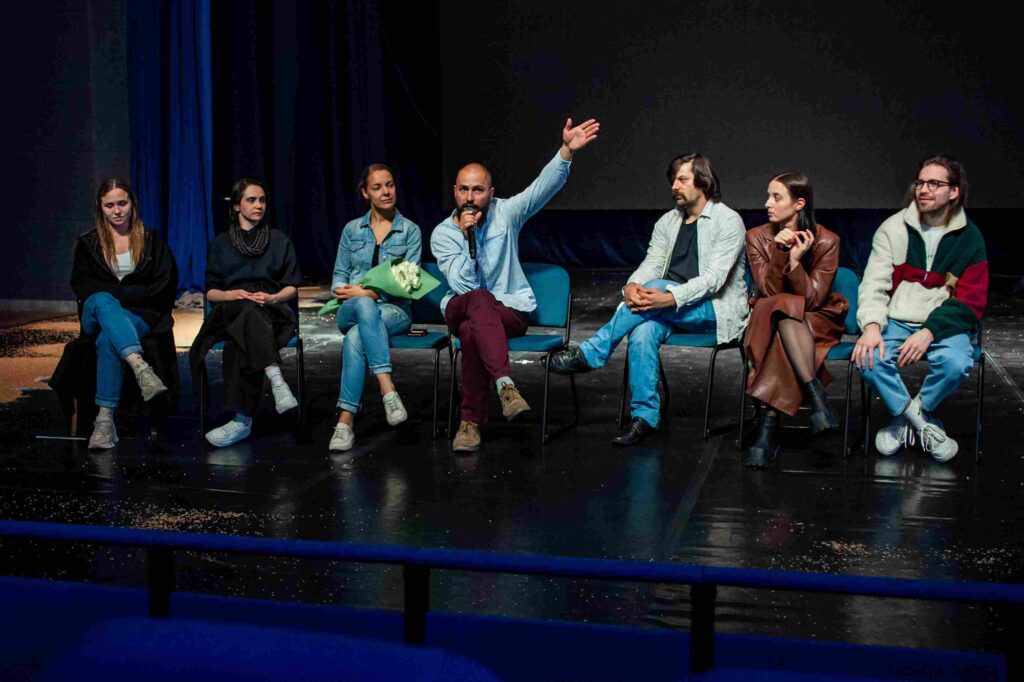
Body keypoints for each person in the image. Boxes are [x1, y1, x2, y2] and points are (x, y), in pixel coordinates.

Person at [549, 153, 748, 445]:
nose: (674, 186)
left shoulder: (728, 221)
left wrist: (669, 297)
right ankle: (645, 417)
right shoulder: (668, 222)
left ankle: (592, 353)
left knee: (654, 287)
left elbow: (713, 279)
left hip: (712, 310)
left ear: (703, 181)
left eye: (682, 179)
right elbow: (652, 263)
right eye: (673, 180)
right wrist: (631, 287)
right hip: (666, 308)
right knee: (641, 332)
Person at [431, 117, 600, 452]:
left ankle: (469, 424)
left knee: (470, 332)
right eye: (463, 189)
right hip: (461, 305)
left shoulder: (506, 213)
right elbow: (463, 285)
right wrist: (468, 238)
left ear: (491, 194)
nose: (469, 196)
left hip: (508, 310)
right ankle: (505, 385)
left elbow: (542, 188)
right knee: (476, 300)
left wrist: (566, 151)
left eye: (477, 190)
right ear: (454, 191)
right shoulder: (443, 234)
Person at [853, 156, 986, 463]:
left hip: (941, 324)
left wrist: (929, 331)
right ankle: (920, 422)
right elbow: (873, 284)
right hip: (897, 319)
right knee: (867, 357)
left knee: (955, 363)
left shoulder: (970, 239)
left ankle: (904, 421)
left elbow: (971, 301)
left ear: (954, 192)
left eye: (934, 184)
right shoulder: (893, 229)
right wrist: (872, 327)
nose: (924, 189)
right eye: (920, 183)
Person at [742, 172, 847, 468]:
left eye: (776, 197)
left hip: (817, 320)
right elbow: (769, 290)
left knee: (786, 317)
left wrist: (796, 262)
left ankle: (768, 427)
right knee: (783, 308)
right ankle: (816, 396)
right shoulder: (757, 237)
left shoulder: (827, 241)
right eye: (768, 196)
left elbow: (813, 300)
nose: (767, 204)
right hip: (770, 315)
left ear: (799, 203)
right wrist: (780, 251)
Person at [189, 178, 302, 448]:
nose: (259, 205)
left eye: (262, 200)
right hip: (230, 308)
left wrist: (273, 296)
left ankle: (241, 421)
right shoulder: (220, 244)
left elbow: (292, 288)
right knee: (244, 312)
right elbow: (212, 292)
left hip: (270, 310)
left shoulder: (279, 240)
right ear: (237, 206)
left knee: (242, 337)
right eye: (251, 200)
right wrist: (231, 294)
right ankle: (276, 379)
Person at [70, 178, 178, 449]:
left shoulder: (151, 240)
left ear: (132, 204)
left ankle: (105, 422)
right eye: (110, 205)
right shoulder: (88, 243)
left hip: (139, 315)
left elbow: (164, 284)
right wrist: (116, 296)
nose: (117, 210)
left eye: (122, 203)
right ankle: (141, 367)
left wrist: (122, 296)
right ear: (100, 208)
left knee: (109, 338)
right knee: (102, 300)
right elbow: (84, 286)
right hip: (96, 315)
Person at [328, 164, 423, 452]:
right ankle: (387, 388)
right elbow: (338, 276)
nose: (386, 191)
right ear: (365, 193)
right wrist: (348, 292)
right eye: (378, 187)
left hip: (394, 311)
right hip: (350, 309)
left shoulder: (410, 231)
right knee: (364, 306)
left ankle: (345, 422)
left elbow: (408, 282)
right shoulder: (351, 230)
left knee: (357, 337)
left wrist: (366, 292)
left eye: (390, 185)